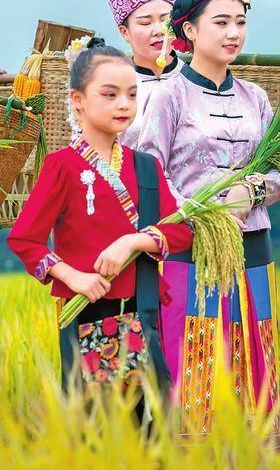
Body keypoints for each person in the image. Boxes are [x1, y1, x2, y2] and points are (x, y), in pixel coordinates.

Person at [138, 0, 280, 433]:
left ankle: (257, 451)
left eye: (240, 22)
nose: (233, 33)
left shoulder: (256, 97)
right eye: (220, 22)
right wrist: (199, 211)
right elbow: (148, 172)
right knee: (195, 355)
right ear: (188, 29)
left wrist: (254, 189)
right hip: (192, 247)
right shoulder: (168, 95)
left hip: (254, 245)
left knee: (255, 358)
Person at [6, 38, 190, 417]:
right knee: (95, 428)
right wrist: (73, 276)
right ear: (77, 100)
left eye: (131, 95)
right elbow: (25, 239)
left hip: (144, 310)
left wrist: (132, 241)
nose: (123, 105)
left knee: (151, 424)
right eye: (109, 94)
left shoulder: (146, 167)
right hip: (89, 311)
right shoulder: (62, 165)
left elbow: (180, 231)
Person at [108, 0, 185, 148]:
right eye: (145, 22)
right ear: (125, 32)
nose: (158, 30)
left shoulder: (197, 80)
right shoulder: (111, 89)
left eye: (166, 19)